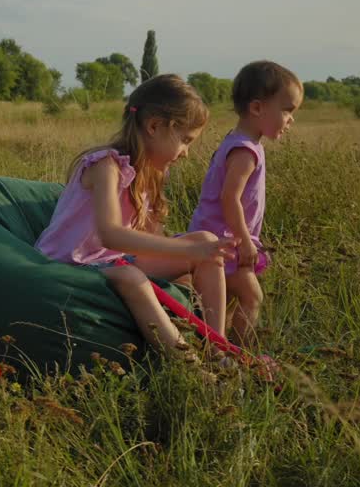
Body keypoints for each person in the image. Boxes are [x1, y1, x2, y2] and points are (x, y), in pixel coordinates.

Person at [35, 74, 235, 352]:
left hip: (112, 260)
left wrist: (193, 257)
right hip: (70, 263)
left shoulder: (150, 172)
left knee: (204, 240)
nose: (186, 153)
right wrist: (186, 253)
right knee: (133, 278)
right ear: (154, 126)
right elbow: (111, 235)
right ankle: (189, 368)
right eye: (185, 140)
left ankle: (218, 351)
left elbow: (149, 237)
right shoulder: (105, 166)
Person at [189, 60, 302, 348]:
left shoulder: (240, 141)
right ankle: (238, 354)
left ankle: (218, 345)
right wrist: (245, 242)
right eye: (287, 110)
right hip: (226, 241)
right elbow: (230, 198)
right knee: (252, 297)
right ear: (257, 108)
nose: (291, 119)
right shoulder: (244, 151)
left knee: (225, 300)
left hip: (222, 237)